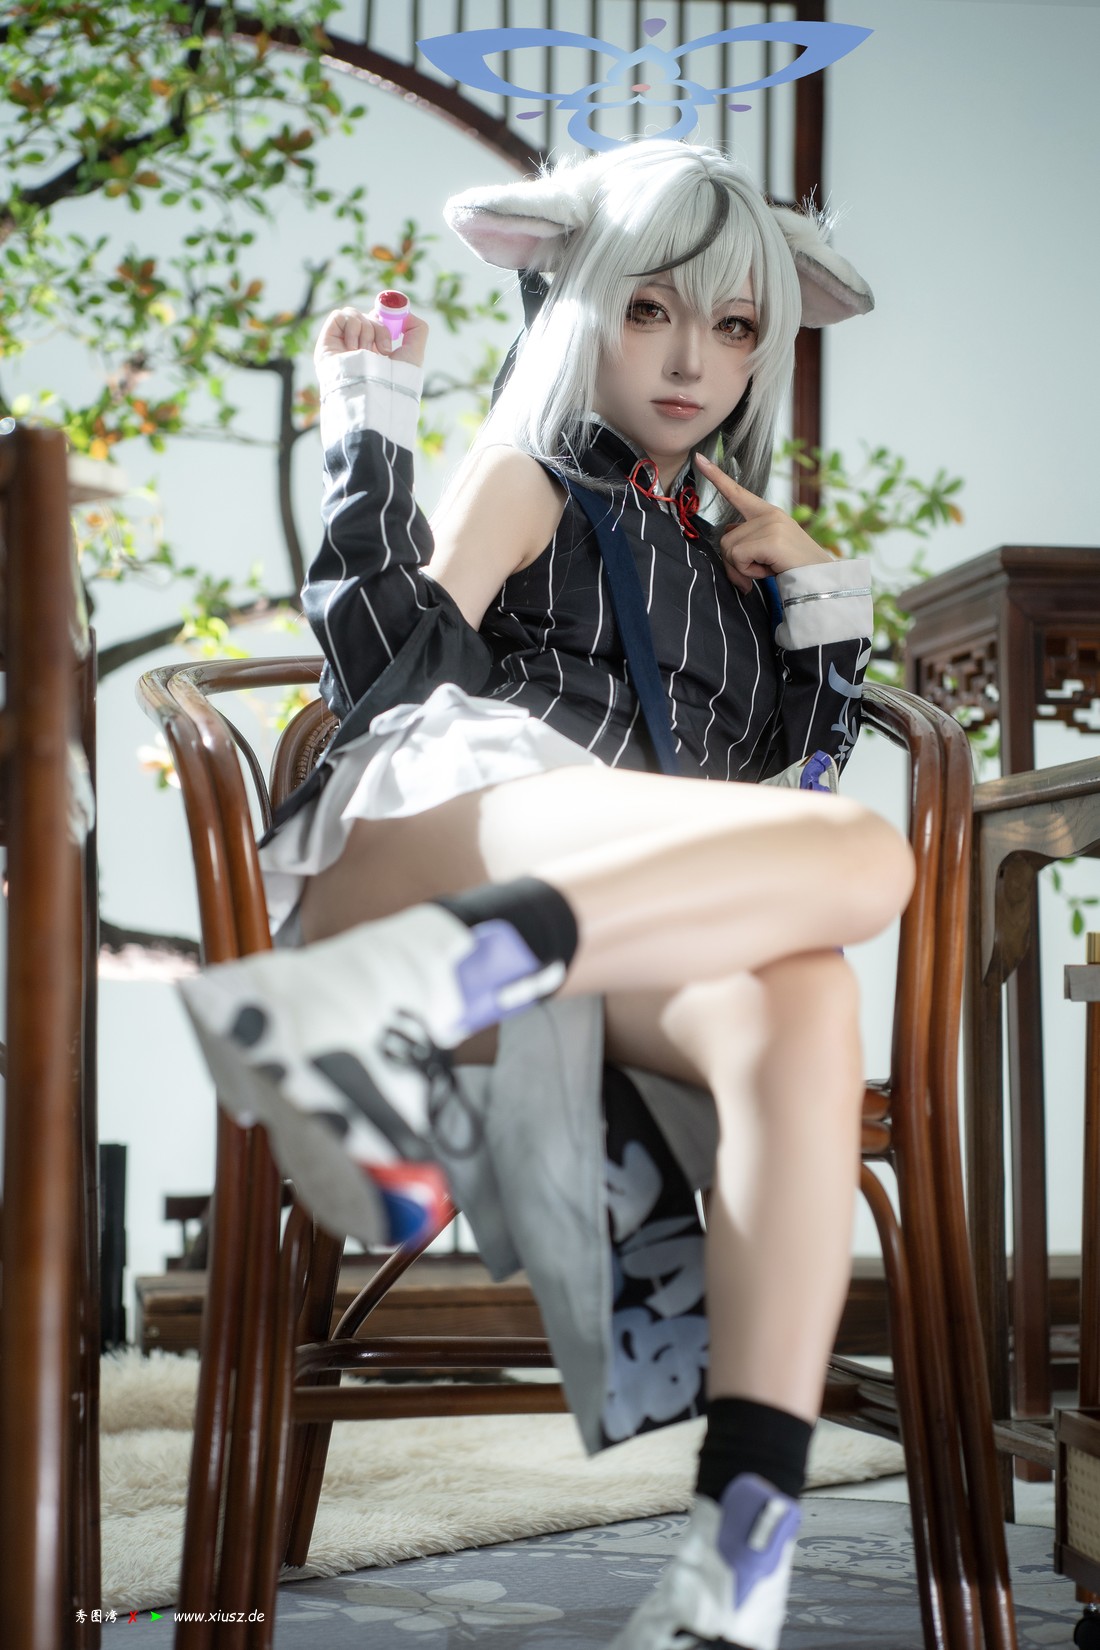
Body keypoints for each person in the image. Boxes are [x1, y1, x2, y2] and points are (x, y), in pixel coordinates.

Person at [181, 140, 913, 1650]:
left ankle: (735, 1563)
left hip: (599, 915)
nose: (691, 360)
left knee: (805, 993)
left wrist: (818, 594)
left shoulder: (733, 560)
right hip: (445, 827)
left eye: (732, 325)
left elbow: (783, 791)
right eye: (650, 310)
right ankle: (392, 979)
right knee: (866, 862)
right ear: (580, 304)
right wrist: (366, 430)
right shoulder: (533, 477)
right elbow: (384, 682)